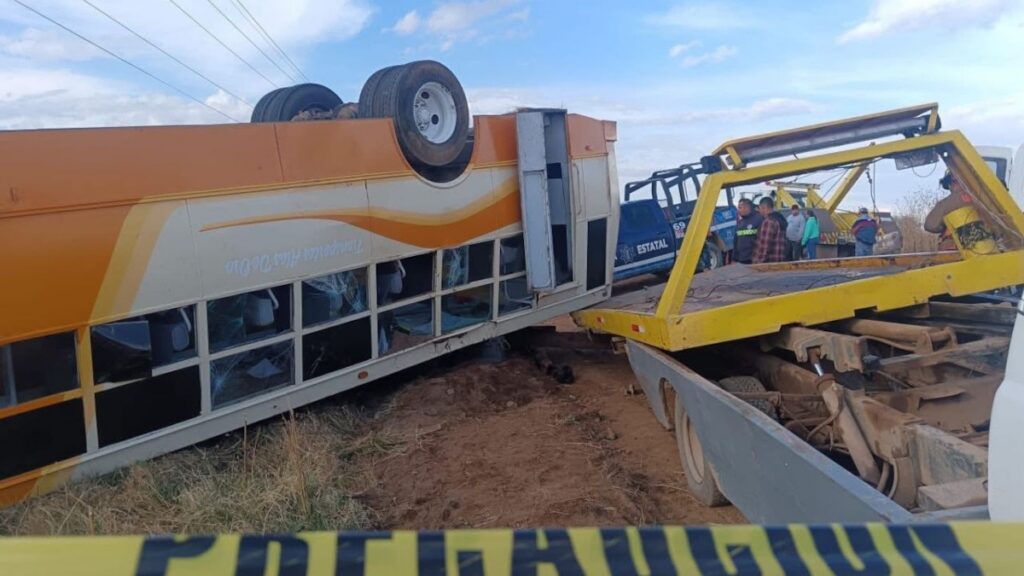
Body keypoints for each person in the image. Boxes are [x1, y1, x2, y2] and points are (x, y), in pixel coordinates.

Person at [753, 197, 787, 263]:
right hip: (779, 261)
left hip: (769, 263)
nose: (759, 211)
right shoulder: (779, 219)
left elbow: (764, 246)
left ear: (764, 207)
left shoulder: (768, 222)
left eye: (759, 208)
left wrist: (757, 263)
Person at [733, 198, 763, 264]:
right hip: (741, 259)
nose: (738, 210)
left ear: (747, 207)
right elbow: (736, 241)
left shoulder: (759, 219)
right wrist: (734, 258)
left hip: (753, 259)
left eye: (740, 208)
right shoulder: (740, 222)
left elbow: (763, 241)